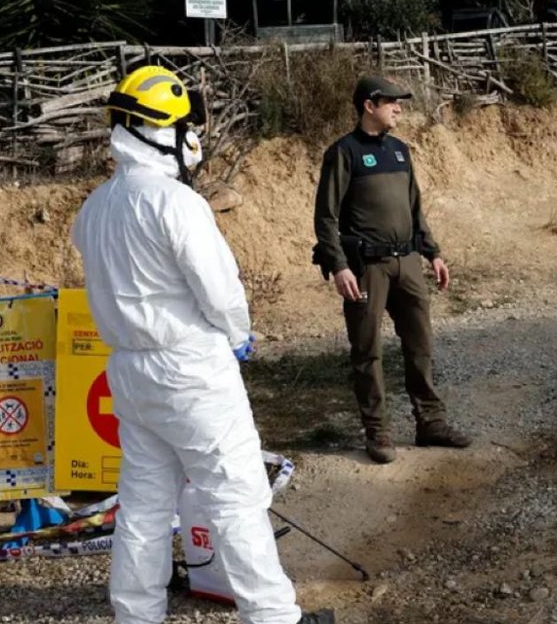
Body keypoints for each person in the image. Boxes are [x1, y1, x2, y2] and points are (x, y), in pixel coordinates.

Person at [71, 65, 332, 624]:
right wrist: (238, 334)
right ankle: (273, 617)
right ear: (167, 130)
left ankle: (136, 617)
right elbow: (219, 289)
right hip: (190, 369)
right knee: (236, 497)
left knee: (142, 507)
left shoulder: (95, 208)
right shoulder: (176, 203)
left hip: (130, 373)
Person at [313, 74, 469, 463]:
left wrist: (432, 252)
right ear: (370, 105)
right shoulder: (343, 153)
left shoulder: (400, 151)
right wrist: (339, 266)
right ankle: (378, 432)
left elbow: (415, 208)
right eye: (392, 102)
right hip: (367, 268)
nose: (399, 108)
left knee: (421, 346)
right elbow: (326, 217)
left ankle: (430, 424)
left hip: (409, 264)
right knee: (368, 352)